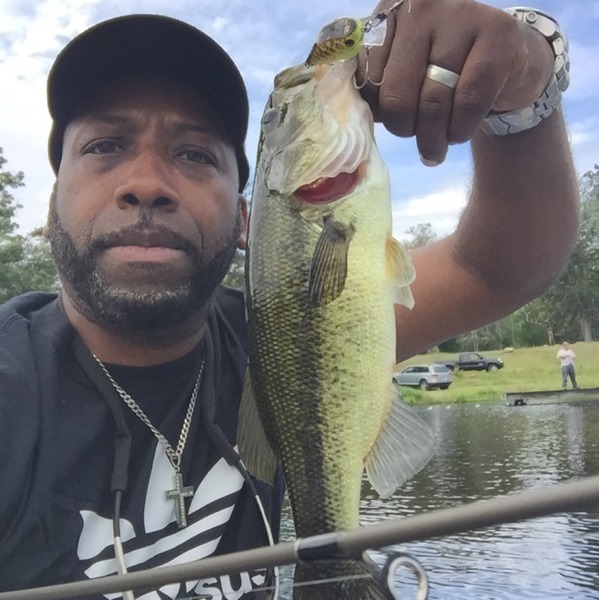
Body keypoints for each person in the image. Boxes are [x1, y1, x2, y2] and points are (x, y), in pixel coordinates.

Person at [0, 1, 579, 598]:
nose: (146, 184)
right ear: (52, 204)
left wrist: (524, 87)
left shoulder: (274, 334)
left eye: (195, 154)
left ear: (245, 218)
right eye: (105, 146)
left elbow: (497, 266)